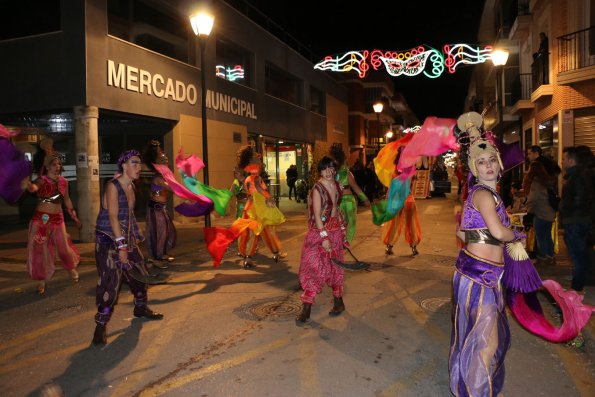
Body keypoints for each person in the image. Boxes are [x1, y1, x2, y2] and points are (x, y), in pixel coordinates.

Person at [450, 115, 524, 396]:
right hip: (479, 277)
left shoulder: (488, 196)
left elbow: (463, 233)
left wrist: (486, 236)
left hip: (485, 275)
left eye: (491, 160)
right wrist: (514, 234)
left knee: (482, 340)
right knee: (485, 343)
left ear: (499, 163)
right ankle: (476, 392)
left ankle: (476, 388)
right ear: (474, 168)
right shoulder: (483, 195)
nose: (488, 166)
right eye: (482, 162)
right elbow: (497, 230)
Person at [93, 150, 163, 346]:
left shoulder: (131, 186)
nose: (138, 167)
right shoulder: (113, 186)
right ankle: (100, 326)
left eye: (139, 164)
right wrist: (121, 247)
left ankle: (140, 308)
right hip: (109, 239)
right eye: (134, 163)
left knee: (140, 273)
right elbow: (114, 217)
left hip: (126, 237)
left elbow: (128, 216)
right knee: (111, 282)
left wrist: (134, 237)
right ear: (123, 166)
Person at [24, 139, 80, 295]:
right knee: (39, 250)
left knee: (63, 248)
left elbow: (67, 199)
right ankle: (41, 281)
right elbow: (35, 187)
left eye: (58, 165)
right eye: (54, 165)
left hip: (58, 218)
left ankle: (71, 269)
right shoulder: (42, 180)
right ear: (47, 167)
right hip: (41, 219)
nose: (57, 167)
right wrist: (29, 185)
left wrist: (74, 216)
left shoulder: (63, 182)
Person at [296, 155, 346, 323]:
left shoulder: (338, 185)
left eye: (331, 168)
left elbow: (337, 209)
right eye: (325, 168)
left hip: (335, 231)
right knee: (314, 268)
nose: (328, 172)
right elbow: (317, 215)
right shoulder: (318, 188)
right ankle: (307, 308)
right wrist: (324, 237)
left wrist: (342, 231)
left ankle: (339, 302)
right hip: (319, 233)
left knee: (335, 268)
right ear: (320, 170)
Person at [236, 145, 286, 268]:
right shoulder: (256, 178)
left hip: (250, 207)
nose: (259, 159)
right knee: (266, 230)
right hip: (259, 207)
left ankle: (249, 257)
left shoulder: (247, 178)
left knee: (254, 232)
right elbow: (259, 189)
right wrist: (269, 197)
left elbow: (249, 190)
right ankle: (275, 252)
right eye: (256, 157)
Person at [559, 146, 593, 294]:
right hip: (577, 221)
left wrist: (563, 207)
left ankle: (577, 288)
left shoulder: (577, 177)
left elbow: (579, 201)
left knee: (577, 257)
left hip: (576, 222)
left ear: (571, 160)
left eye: (564, 159)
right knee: (579, 256)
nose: (562, 162)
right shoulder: (577, 176)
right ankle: (578, 286)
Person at [523, 145, 559, 267]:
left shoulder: (537, 183)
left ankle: (542, 258)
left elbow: (533, 199)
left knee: (540, 236)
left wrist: (529, 209)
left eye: (529, 154)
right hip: (549, 211)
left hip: (540, 212)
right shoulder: (549, 182)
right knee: (547, 235)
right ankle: (551, 257)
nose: (528, 157)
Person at [142, 140, 176, 268]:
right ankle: (155, 258)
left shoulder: (163, 176)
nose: (166, 161)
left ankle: (161, 254)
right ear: (156, 163)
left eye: (166, 159)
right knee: (159, 234)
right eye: (163, 160)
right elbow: (173, 188)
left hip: (161, 208)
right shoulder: (159, 178)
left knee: (167, 232)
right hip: (155, 209)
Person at [329, 143, 370, 244]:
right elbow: (355, 187)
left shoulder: (330, 173)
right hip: (349, 201)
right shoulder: (346, 173)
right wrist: (365, 199)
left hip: (337, 202)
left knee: (340, 224)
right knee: (351, 223)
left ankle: (338, 243)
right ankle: (346, 243)